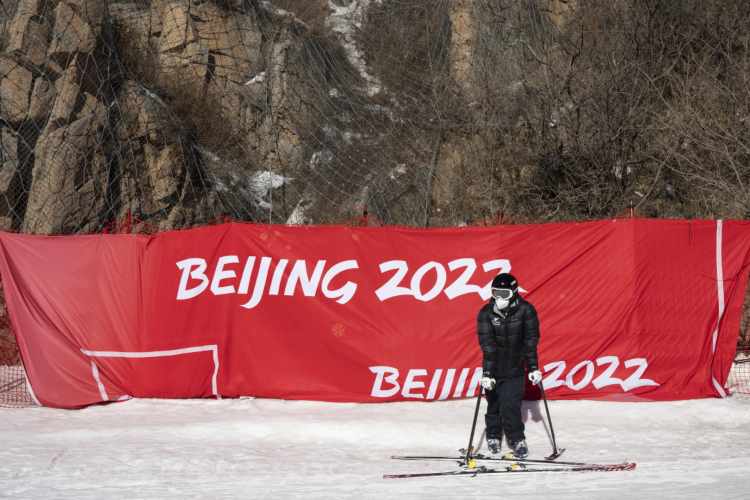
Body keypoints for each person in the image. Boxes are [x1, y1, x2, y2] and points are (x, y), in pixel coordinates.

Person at [477, 272, 541, 458]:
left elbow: (530, 341)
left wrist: (534, 368)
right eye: (496, 293)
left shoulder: (526, 310)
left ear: (513, 292)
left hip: (515, 367)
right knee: (494, 404)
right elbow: (487, 345)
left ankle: (517, 439)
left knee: (510, 405)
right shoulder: (485, 313)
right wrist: (487, 374)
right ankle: (493, 436)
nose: (499, 298)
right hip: (494, 366)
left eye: (504, 294)